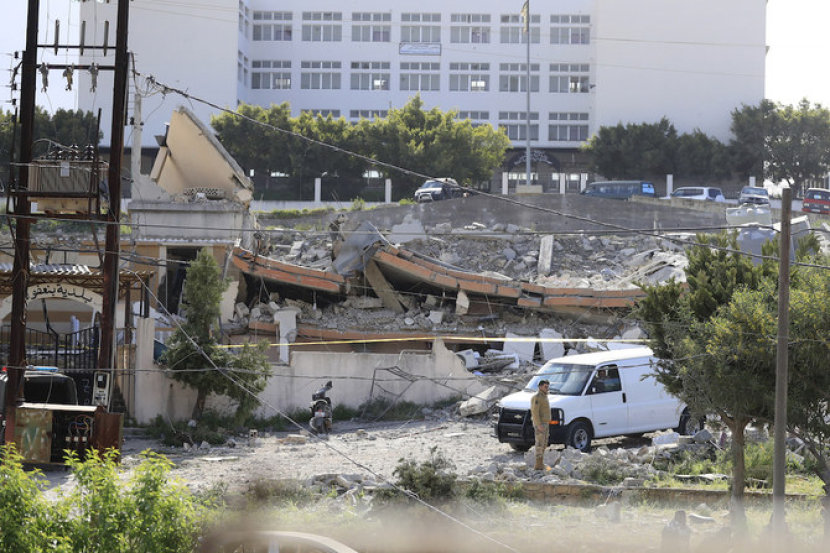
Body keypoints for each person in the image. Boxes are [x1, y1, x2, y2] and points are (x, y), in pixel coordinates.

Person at [530, 379, 551, 470]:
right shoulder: (537, 397)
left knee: (544, 443)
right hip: (541, 424)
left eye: (547, 387)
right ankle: (538, 464)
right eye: (545, 387)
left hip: (545, 423)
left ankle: (541, 463)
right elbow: (535, 412)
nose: (547, 389)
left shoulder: (544, 396)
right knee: (539, 443)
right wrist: (538, 425)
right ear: (540, 387)